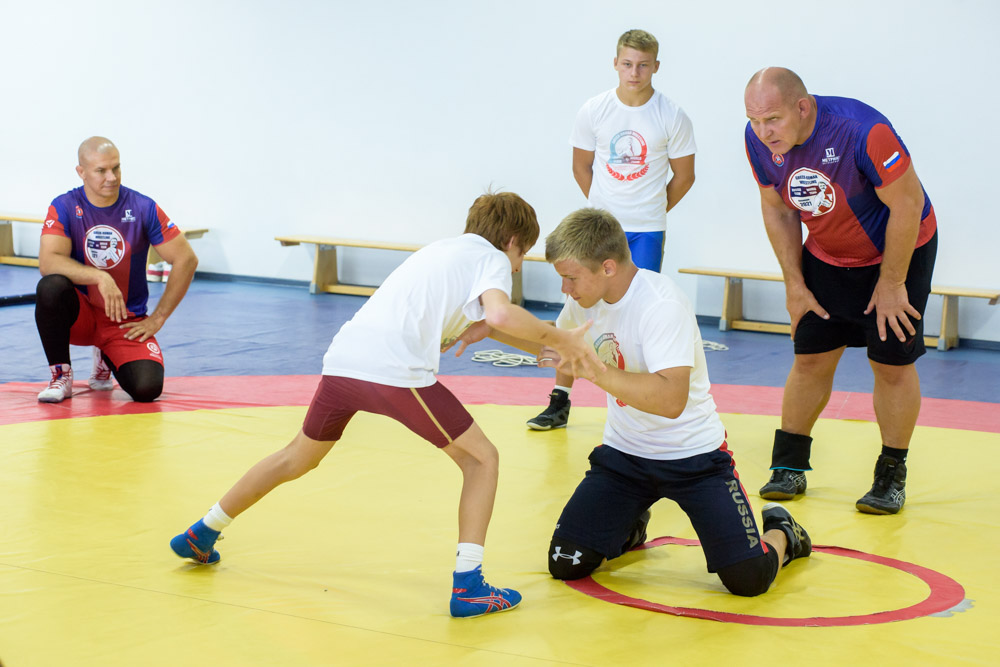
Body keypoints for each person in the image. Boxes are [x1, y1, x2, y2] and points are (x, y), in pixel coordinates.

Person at [170, 192, 605, 618]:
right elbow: (500, 315)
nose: (517, 265)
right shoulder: (491, 259)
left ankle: (203, 531)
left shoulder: (443, 252)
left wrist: (546, 349)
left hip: (343, 362)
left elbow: (491, 325)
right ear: (511, 241)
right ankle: (469, 586)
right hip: (394, 371)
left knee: (296, 456)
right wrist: (560, 338)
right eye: (521, 254)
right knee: (482, 460)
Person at [500, 208, 810, 596]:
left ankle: (783, 531)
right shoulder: (584, 301)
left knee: (749, 579)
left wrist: (594, 370)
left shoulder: (661, 304)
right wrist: (485, 327)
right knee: (566, 563)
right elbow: (553, 343)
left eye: (571, 278)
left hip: (694, 459)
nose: (565, 289)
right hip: (624, 457)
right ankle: (630, 524)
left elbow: (670, 400)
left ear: (608, 267)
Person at [744, 68, 938, 515]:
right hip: (829, 254)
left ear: (802, 107)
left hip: (899, 251)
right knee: (810, 356)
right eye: (754, 120)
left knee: (890, 362)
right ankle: (789, 466)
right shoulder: (758, 140)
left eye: (772, 119)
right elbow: (777, 210)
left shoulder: (862, 131)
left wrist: (892, 283)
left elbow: (907, 205)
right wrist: (794, 284)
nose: (763, 131)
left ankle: (890, 475)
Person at [528, 29, 697, 431]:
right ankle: (559, 400)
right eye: (627, 64)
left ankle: (640, 401)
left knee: (640, 311)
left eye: (643, 65)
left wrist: (652, 209)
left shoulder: (672, 115)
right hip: (599, 231)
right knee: (576, 306)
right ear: (615, 64)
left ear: (656, 66)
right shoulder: (595, 109)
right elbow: (580, 166)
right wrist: (603, 214)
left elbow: (685, 176)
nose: (634, 72)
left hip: (646, 231)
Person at [35, 137, 198, 403]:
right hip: (81, 318)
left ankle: (105, 355)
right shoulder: (64, 205)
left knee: (147, 389)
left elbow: (186, 259)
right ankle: (61, 375)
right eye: (101, 170)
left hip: (124, 321)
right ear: (81, 172)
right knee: (51, 286)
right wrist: (100, 276)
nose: (112, 177)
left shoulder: (143, 207)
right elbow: (48, 262)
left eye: (116, 168)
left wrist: (158, 318)